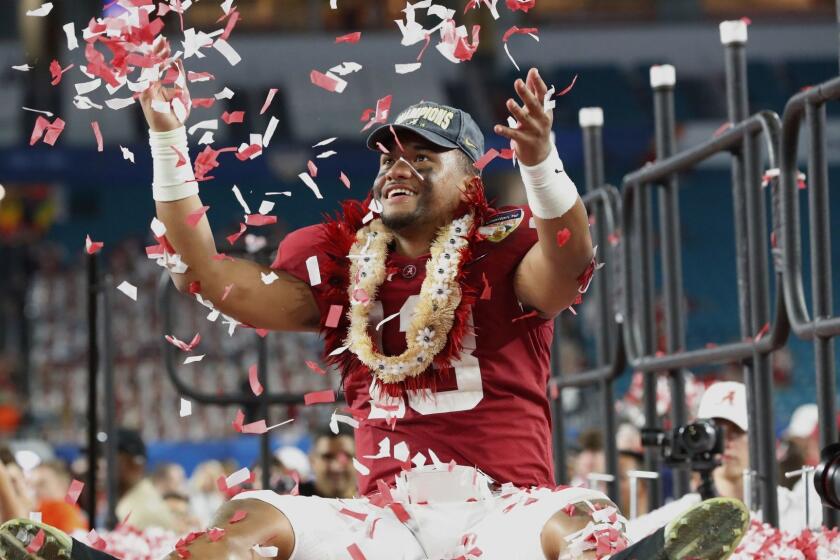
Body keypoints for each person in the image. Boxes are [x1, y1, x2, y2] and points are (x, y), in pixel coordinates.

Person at [0, 34, 748, 560]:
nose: (398, 166)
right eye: (391, 155)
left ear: (470, 185)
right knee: (248, 517)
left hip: (504, 510)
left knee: (578, 520)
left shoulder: (504, 252)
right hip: (382, 524)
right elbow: (207, 275)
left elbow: (569, 258)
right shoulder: (339, 267)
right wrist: (168, 142)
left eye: (425, 158)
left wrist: (543, 163)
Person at [627, 381, 821, 542]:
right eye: (714, 433)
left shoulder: (799, 511)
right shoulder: (681, 515)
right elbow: (624, 540)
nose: (724, 443)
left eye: (736, 432)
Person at [297, 427, 357, 499]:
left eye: (346, 456)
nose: (336, 467)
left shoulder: (371, 504)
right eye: (327, 457)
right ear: (312, 460)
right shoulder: (291, 501)